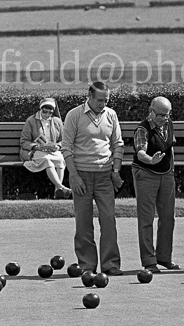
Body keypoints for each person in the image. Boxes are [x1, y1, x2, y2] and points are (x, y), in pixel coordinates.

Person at [61, 81, 125, 276]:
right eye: (99, 100)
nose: (103, 104)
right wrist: (73, 175)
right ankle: (87, 265)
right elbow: (66, 147)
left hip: (105, 176)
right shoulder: (74, 115)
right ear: (89, 96)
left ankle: (110, 264)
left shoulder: (111, 115)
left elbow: (118, 144)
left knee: (108, 220)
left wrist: (116, 171)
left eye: (106, 100)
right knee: (83, 223)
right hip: (81, 176)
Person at [132, 96, 180, 274]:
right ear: (150, 111)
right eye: (159, 115)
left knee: (168, 218)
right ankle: (149, 261)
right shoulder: (142, 129)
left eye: (166, 115)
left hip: (166, 173)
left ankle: (164, 257)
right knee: (146, 219)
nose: (163, 119)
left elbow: (170, 147)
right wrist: (151, 160)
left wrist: (171, 170)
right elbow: (141, 153)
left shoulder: (168, 123)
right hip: (145, 174)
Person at [20, 97, 71, 199]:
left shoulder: (57, 121)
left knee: (60, 160)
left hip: (52, 151)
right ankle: (61, 188)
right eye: (45, 112)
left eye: (50, 113)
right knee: (47, 160)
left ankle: (58, 192)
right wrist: (36, 146)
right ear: (40, 109)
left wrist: (58, 146)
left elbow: (63, 139)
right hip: (37, 151)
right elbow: (23, 141)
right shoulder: (31, 121)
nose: (47, 115)